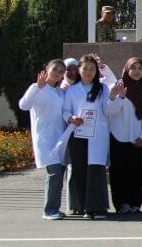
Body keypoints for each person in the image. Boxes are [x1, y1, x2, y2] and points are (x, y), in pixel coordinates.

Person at [62, 55, 112, 219]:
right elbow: (65, 111)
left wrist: (113, 98)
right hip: (78, 134)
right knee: (80, 170)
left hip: (97, 135)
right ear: (79, 70)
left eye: (92, 69)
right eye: (85, 68)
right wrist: (71, 118)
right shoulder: (72, 90)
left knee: (96, 170)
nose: (89, 72)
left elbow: (108, 110)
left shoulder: (103, 89)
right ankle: (85, 207)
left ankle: (98, 207)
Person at [19, 59, 68, 220]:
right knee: (54, 173)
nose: (58, 74)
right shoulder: (37, 88)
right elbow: (23, 105)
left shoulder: (60, 92)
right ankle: (49, 210)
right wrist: (37, 88)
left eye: (61, 72)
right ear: (47, 70)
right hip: (45, 138)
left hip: (60, 137)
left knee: (58, 174)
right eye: (55, 70)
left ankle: (55, 208)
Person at [106, 57, 142, 214]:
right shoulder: (118, 87)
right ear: (127, 70)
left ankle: (135, 203)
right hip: (118, 138)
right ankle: (122, 203)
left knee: (137, 173)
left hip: (137, 140)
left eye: (140, 68)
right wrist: (121, 97)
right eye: (133, 68)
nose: (136, 72)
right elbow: (110, 111)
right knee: (120, 173)